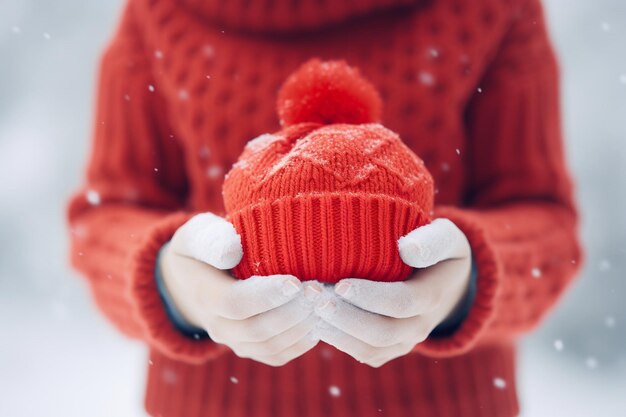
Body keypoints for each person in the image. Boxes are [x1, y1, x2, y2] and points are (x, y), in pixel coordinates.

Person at [67, 0, 582, 416]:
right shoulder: (161, 12)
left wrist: (466, 283)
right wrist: (172, 284)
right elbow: (105, 216)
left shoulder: (489, 10)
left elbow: (547, 227)